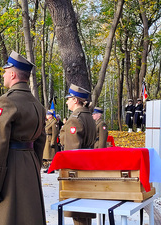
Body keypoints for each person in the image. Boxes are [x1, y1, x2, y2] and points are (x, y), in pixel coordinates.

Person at [0, 51, 46, 225]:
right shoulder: (38, 105)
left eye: (6, 71)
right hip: (30, 163)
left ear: (13, 74)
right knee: (30, 215)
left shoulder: (6, 102)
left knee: (8, 217)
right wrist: (35, 165)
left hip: (11, 166)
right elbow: (41, 140)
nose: (4, 74)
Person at [59, 83, 96, 225]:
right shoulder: (89, 117)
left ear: (75, 100)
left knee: (79, 213)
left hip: (78, 172)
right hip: (88, 168)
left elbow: (71, 152)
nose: (67, 101)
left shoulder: (75, 119)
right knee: (85, 213)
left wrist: (68, 176)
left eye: (69, 98)